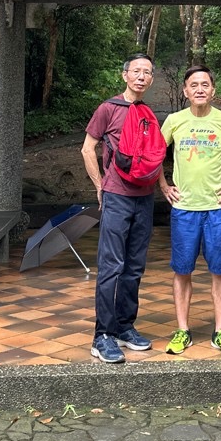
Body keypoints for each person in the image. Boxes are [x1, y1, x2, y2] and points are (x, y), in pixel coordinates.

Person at [159, 66, 221, 356]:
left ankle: (220, 332)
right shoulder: (174, 121)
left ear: (213, 90)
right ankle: (182, 330)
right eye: (193, 85)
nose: (199, 89)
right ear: (185, 91)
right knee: (182, 271)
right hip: (184, 209)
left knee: (220, 271)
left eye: (205, 84)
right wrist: (163, 185)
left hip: (217, 209)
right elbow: (154, 154)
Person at [80, 53, 159, 363]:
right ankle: (102, 335)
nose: (141, 76)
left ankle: (125, 327)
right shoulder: (108, 108)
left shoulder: (148, 113)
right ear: (125, 75)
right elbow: (87, 148)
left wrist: (163, 186)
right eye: (136, 71)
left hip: (145, 196)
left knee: (135, 265)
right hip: (117, 195)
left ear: (151, 79)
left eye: (147, 72)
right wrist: (100, 185)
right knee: (111, 264)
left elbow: (154, 154)